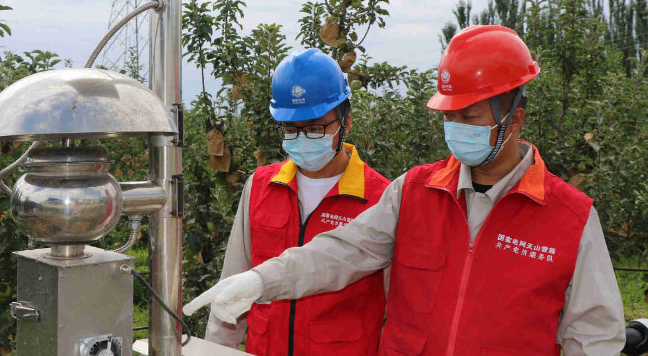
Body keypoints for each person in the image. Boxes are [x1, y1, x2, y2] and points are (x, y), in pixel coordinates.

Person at [185, 26, 626, 356]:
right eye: (449, 116)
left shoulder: (569, 217)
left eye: (469, 117)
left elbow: (593, 336)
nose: (455, 128)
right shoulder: (414, 192)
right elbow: (341, 251)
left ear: (515, 119)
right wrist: (261, 279)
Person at [203, 48, 391, 356]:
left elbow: (398, 308)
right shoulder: (261, 186)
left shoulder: (379, 198)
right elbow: (232, 285)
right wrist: (215, 351)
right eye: (291, 129)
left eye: (315, 128)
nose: (302, 138)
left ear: (346, 123)